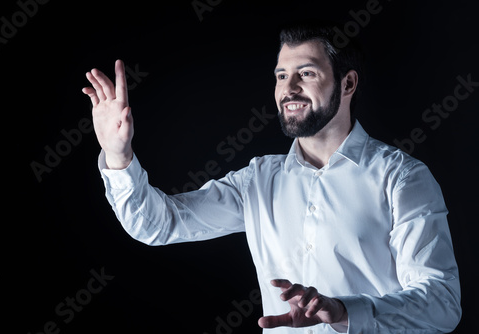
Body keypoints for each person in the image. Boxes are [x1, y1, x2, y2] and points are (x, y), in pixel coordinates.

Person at [82, 23, 461, 333]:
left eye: (306, 73)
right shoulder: (258, 179)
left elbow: (441, 304)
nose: (289, 88)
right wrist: (118, 156)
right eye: (282, 75)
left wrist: (346, 311)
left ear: (347, 84)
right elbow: (159, 225)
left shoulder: (402, 179)